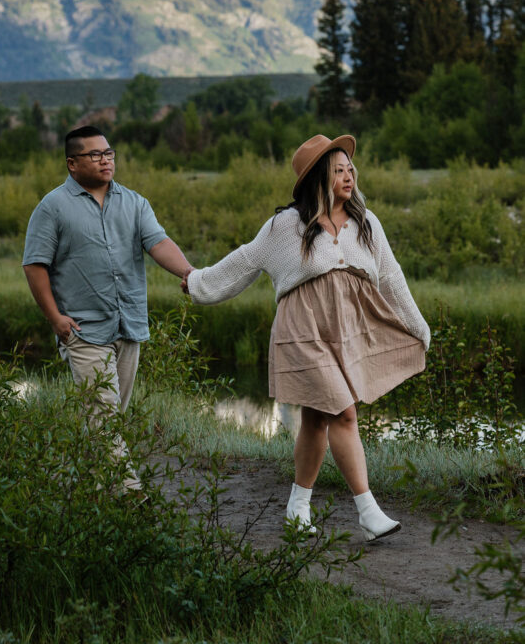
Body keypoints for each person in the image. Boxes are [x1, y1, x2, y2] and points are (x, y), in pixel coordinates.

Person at [182, 134, 430, 541]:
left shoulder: (367, 224)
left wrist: (417, 324)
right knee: (344, 413)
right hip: (303, 330)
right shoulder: (285, 226)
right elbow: (244, 261)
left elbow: (391, 277)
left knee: (316, 419)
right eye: (338, 170)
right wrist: (196, 282)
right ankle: (368, 511)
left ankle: (297, 508)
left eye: (350, 168)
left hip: (347, 331)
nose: (349, 175)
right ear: (318, 177)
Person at [23, 124, 193, 491]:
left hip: (128, 324)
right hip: (82, 330)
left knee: (109, 421)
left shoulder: (134, 202)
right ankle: (131, 500)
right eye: (95, 155)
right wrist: (56, 320)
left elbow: (158, 242)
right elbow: (34, 265)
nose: (105, 160)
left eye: (109, 153)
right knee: (103, 419)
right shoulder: (53, 207)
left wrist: (190, 274)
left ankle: (86, 496)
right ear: (72, 163)